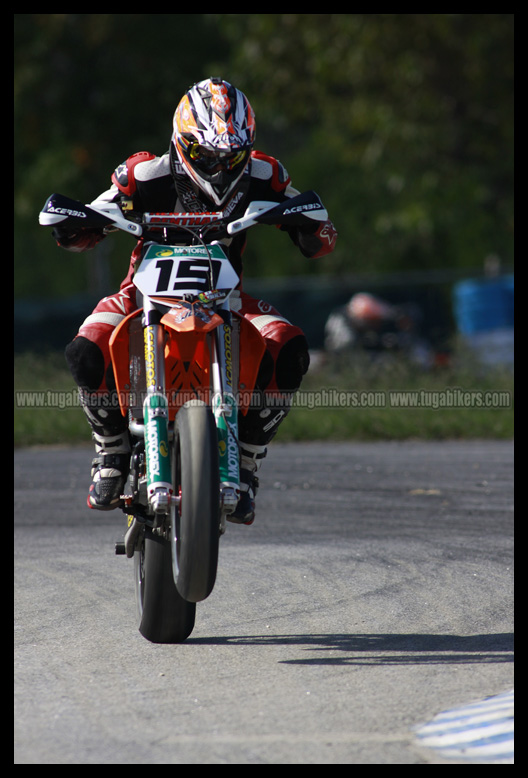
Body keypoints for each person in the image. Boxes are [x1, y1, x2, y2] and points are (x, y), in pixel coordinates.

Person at [54, 78, 337, 524]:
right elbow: (92, 216)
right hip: (141, 294)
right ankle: (110, 451)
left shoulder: (265, 173)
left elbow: (319, 234)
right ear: (182, 141)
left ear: (248, 147)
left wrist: (311, 228)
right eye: (208, 156)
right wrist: (77, 226)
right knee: (85, 348)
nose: (221, 167)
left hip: (228, 296)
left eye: (233, 157)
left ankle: (245, 461)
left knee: (291, 347)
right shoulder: (144, 174)